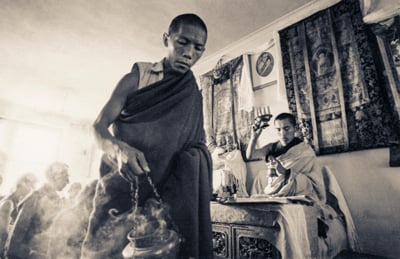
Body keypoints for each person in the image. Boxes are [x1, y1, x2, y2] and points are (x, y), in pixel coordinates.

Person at [81, 13, 213, 258]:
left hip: (167, 196)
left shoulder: (192, 92)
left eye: (198, 48)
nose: (189, 53)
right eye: (182, 42)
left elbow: (196, 144)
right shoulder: (136, 79)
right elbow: (98, 128)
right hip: (121, 187)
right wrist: (119, 149)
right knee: (103, 252)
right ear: (167, 38)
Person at [246, 112, 320, 198]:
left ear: (295, 128)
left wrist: (284, 171)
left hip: (299, 193)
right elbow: (250, 156)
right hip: (275, 192)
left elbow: (309, 182)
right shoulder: (272, 147)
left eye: (287, 128)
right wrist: (254, 137)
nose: (282, 134)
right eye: (278, 129)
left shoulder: (304, 150)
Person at [4, 162, 70, 259]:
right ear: (54, 177)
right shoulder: (36, 198)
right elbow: (15, 240)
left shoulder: (57, 201)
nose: (68, 181)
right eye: (65, 176)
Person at [0, 173, 37, 257]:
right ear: (22, 184)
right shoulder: (9, 203)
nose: (32, 189)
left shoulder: (15, 203)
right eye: (31, 185)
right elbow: (3, 232)